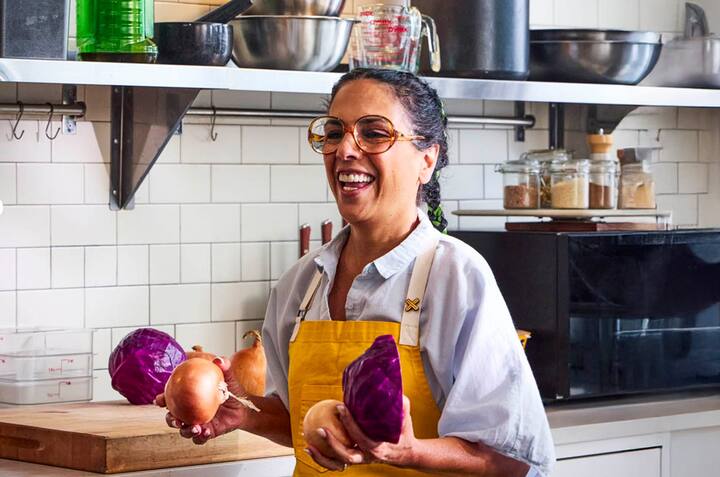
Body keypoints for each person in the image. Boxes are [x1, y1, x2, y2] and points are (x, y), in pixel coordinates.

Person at [156, 68, 555, 476]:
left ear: (426, 160)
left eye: (374, 133)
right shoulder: (300, 284)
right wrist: (245, 413)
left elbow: (513, 459)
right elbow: (305, 422)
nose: (345, 149)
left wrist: (410, 452)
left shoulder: (457, 277)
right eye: (335, 132)